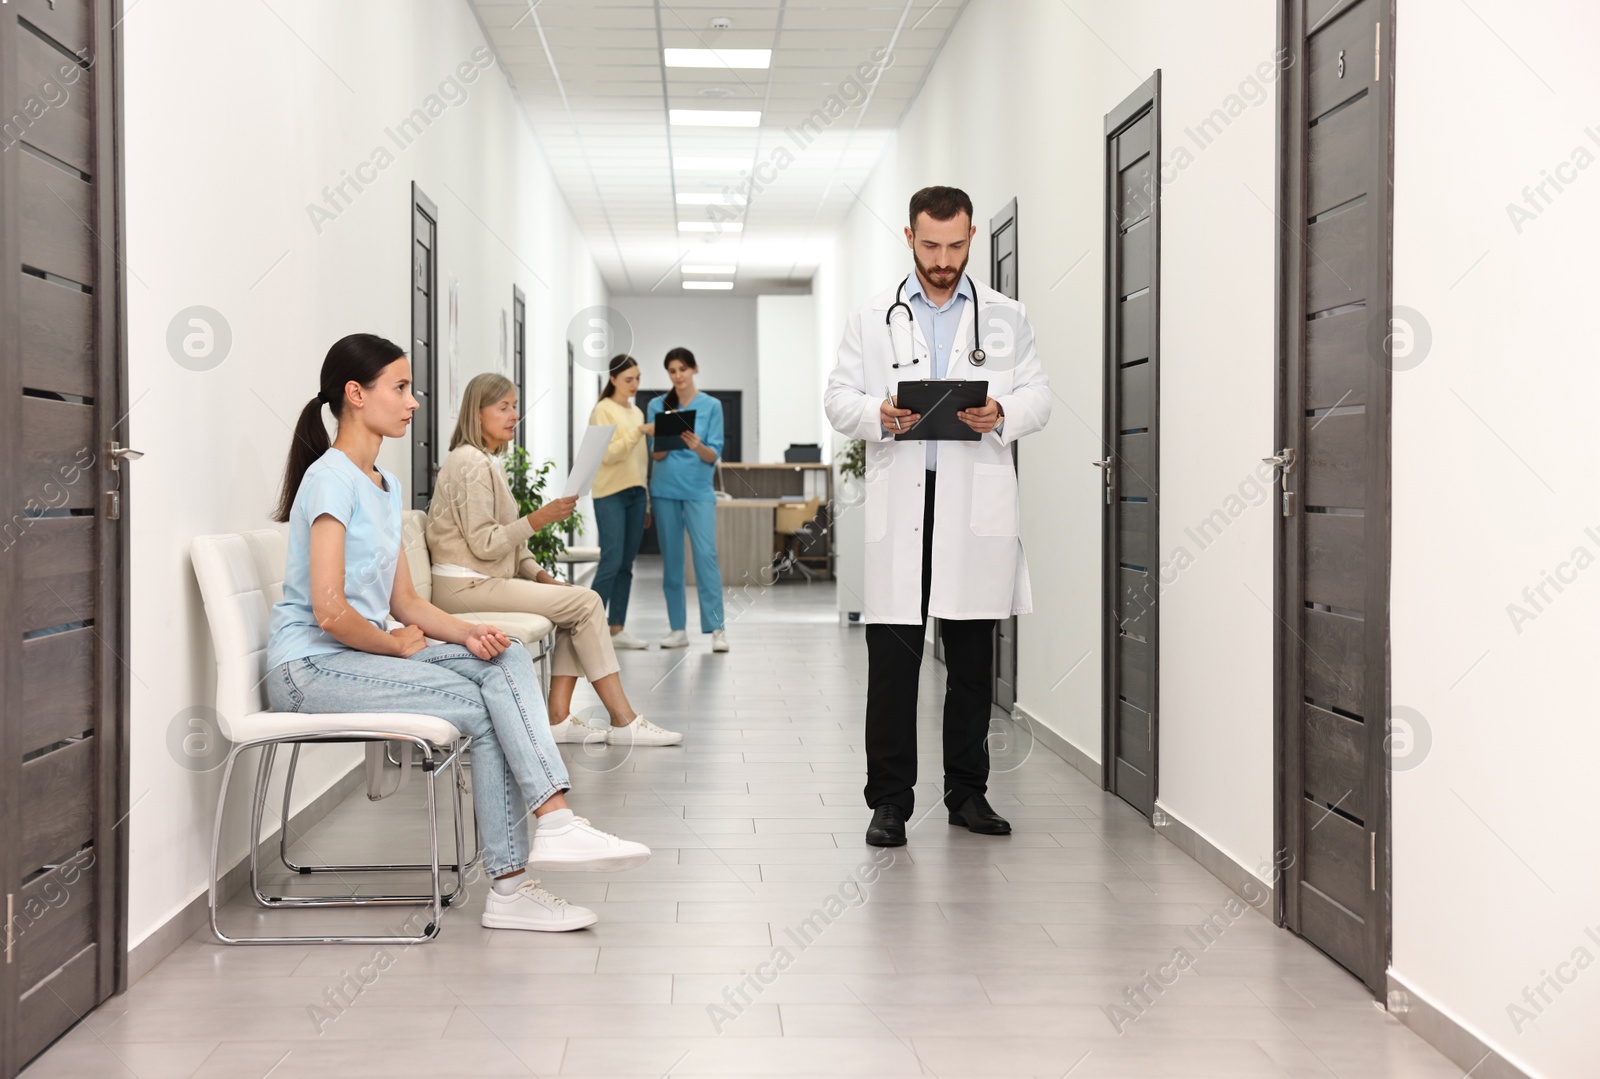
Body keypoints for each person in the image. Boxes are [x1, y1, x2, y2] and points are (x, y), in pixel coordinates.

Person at [265, 334, 651, 933]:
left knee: (504, 657)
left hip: (355, 655)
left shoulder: (383, 486)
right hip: (309, 669)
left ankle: (551, 827)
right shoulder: (330, 479)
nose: (413, 401)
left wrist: (470, 633)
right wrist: (393, 643)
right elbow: (330, 609)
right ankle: (516, 876)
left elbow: (407, 601)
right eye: (400, 388)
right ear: (355, 395)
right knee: (484, 704)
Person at [823, 186, 1052, 848]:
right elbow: (838, 399)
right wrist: (878, 414)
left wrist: (1002, 412)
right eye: (930, 246)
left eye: (955, 247)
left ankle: (967, 793)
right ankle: (889, 801)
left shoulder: (1007, 317)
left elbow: (1040, 395)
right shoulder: (873, 317)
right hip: (902, 509)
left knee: (972, 662)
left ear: (972, 237)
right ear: (909, 237)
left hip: (972, 509)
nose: (943, 261)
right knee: (892, 664)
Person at [426, 372, 682, 747]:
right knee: (587, 602)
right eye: (503, 407)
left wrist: (542, 576)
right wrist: (540, 517)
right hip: (464, 587)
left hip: (478, 581)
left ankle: (559, 719)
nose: (514, 414)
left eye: (515, 406)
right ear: (476, 414)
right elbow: (485, 544)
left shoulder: (485, 461)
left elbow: (509, 542)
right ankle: (623, 720)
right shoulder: (470, 463)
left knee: (573, 605)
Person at [646, 347, 728, 652]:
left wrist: (696, 445)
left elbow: (713, 455)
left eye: (682, 369)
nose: (678, 375)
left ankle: (717, 629)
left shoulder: (712, 406)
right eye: (672, 371)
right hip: (665, 491)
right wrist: (666, 440)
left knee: (706, 556)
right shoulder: (657, 404)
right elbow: (655, 454)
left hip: (698, 492)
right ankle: (677, 628)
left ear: (694, 369)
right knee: (672, 562)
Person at [588, 354, 651, 651]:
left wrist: (646, 499)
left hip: (637, 494)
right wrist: (637, 433)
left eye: (637, 378)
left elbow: (640, 463)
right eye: (628, 379)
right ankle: (588, 627)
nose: (634, 384)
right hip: (610, 493)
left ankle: (617, 628)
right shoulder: (603, 409)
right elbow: (608, 455)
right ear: (613, 379)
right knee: (611, 560)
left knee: (627, 564)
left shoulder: (637, 412)